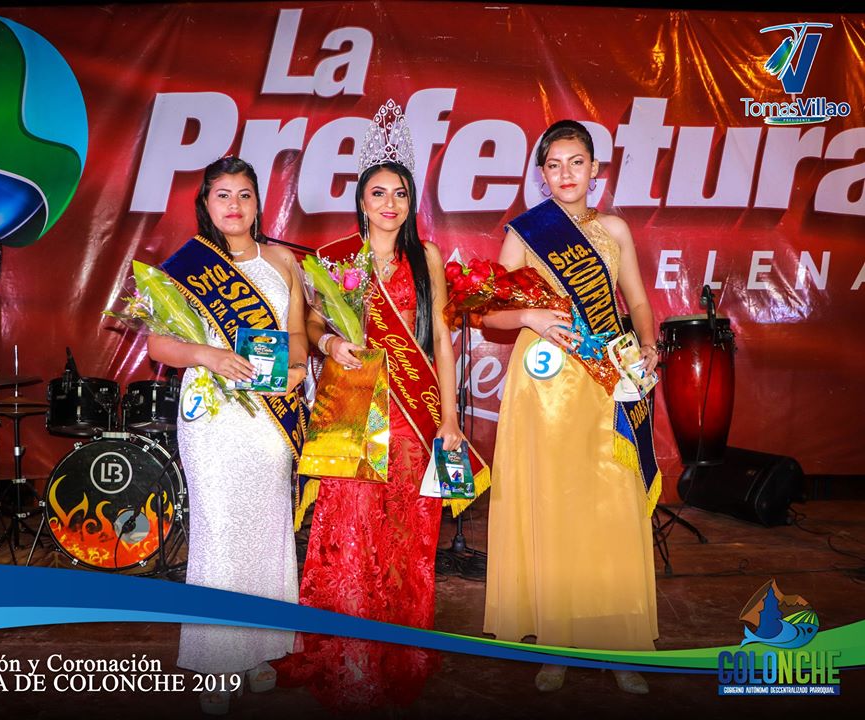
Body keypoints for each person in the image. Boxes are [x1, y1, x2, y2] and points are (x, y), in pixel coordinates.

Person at [278, 101, 479, 712]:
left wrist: (450, 419)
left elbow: (441, 341)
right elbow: (313, 325)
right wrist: (330, 344)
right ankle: (349, 653)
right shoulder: (336, 257)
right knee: (348, 530)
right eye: (378, 193)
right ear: (361, 201)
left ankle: (399, 652)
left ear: (410, 201)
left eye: (399, 193)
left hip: (414, 417)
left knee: (408, 534)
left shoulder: (428, 259)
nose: (389, 203)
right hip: (353, 409)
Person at [482, 120, 660, 695]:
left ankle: (619, 645)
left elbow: (637, 301)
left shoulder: (614, 230)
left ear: (594, 169)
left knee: (611, 504)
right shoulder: (526, 232)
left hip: (606, 379)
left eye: (576, 162)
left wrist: (649, 345)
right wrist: (529, 316)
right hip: (544, 384)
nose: (566, 173)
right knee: (554, 503)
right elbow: (488, 312)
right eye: (555, 164)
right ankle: (556, 643)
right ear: (542, 174)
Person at [146, 156, 308, 714]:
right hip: (212, 414)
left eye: (244, 194)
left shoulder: (283, 261)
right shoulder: (186, 266)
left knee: (266, 530)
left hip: (268, 414)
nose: (234, 205)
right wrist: (209, 355)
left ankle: (260, 649)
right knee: (218, 530)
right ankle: (216, 662)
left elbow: (296, 338)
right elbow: (158, 345)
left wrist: (296, 370)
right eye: (223, 195)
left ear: (258, 203)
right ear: (206, 204)